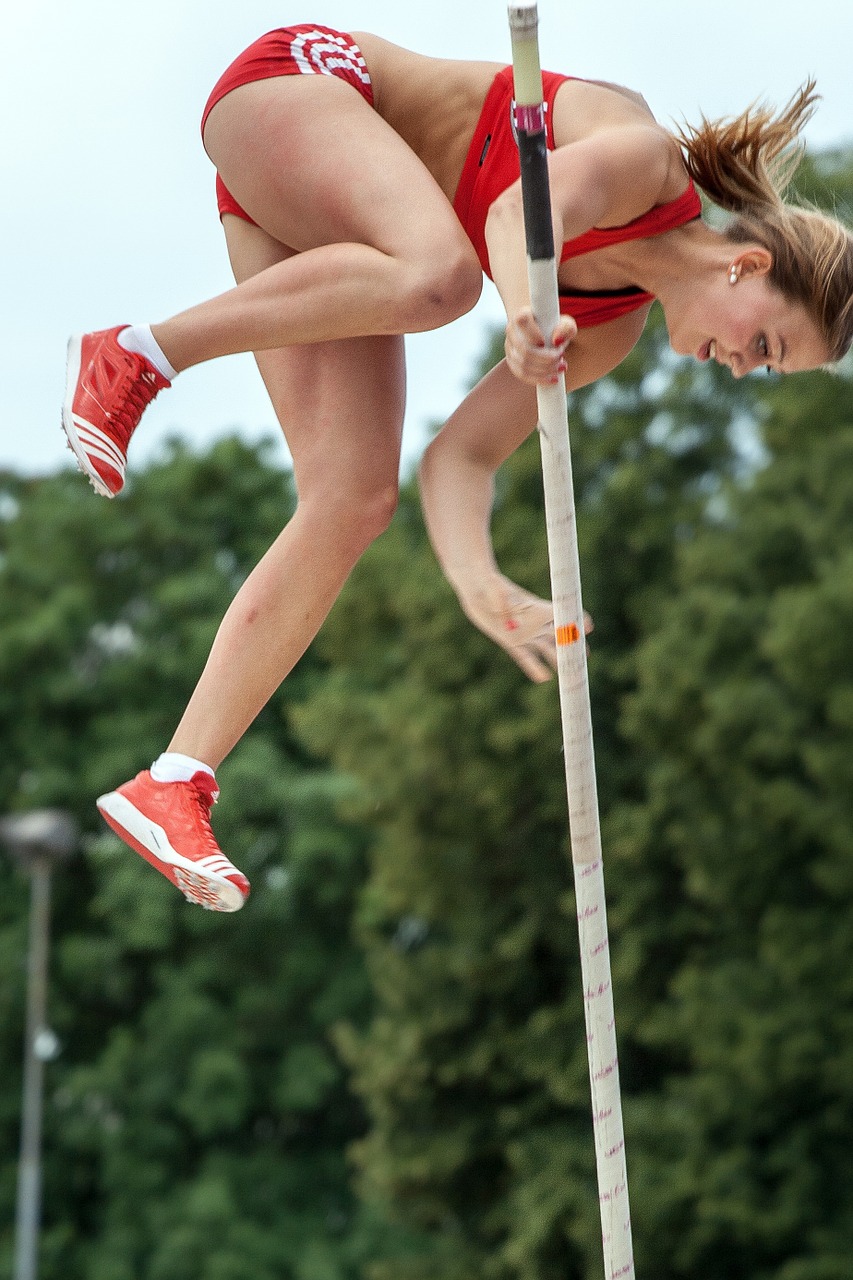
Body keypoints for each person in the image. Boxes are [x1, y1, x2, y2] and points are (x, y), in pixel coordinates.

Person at [62, 24, 853, 913]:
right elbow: (517, 214)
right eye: (765, 342)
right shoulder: (644, 163)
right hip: (300, 92)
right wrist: (522, 312)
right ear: (747, 264)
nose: (741, 365)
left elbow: (459, 458)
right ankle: (136, 354)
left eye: (765, 368)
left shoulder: (610, 328)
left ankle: (175, 778)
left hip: (322, 219)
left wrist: (479, 582)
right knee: (442, 281)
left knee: (352, 498)